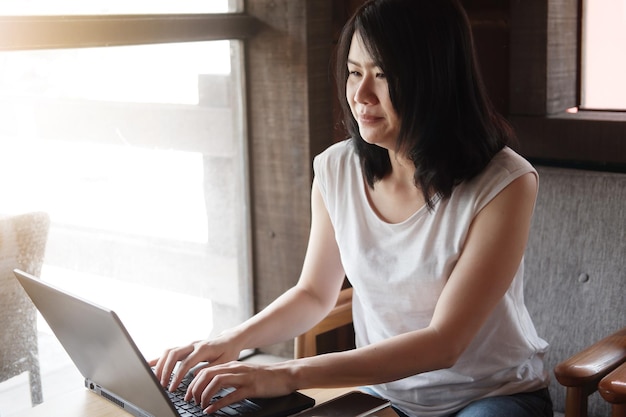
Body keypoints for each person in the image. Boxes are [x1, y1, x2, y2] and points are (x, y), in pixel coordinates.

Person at [151, 0, 553, 416]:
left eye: (382, 75)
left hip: (492, 395)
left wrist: (288, 373)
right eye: (354, 72)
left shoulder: (505, 182)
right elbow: (313, 293)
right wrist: (231, 341)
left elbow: (445, 342)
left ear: (436, 80)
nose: (361, 95)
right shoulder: (337, 169)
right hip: (387, 396)